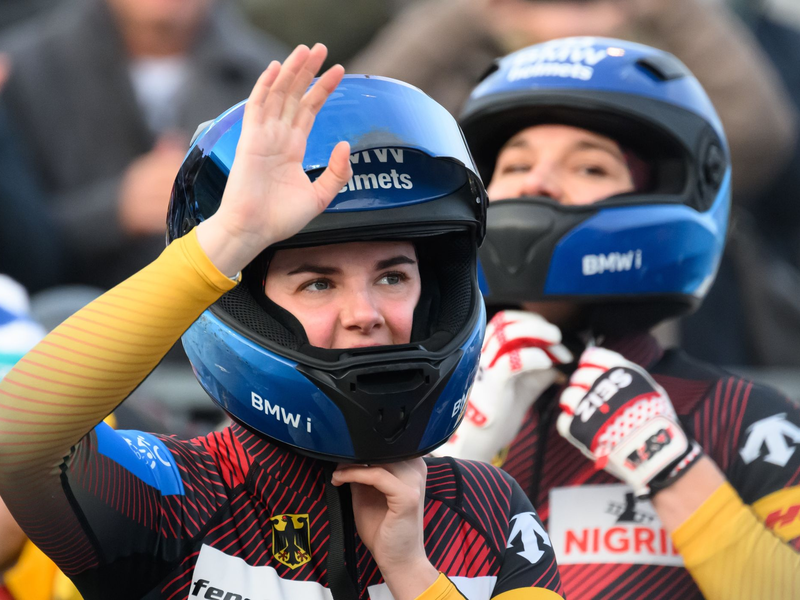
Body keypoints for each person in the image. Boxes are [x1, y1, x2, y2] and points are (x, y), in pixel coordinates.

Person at [0, 44, 563, 600]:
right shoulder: (173, 497)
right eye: (318, 283)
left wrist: (413, 573)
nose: (364, 314)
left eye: (393, 277)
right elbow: (16, 437)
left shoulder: (485, 508)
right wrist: (227, 241)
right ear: (249, 306)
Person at [435, 37, 800, 598]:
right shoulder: (415, 410)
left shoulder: (744, 419)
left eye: (588, 166)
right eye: (515, 164)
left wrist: (674, 470)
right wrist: (446, 466)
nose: (536, 182)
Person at [0, 0, 287, 289]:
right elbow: (15, 242)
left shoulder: (274, 78)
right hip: (65, 318)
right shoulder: (19, 71)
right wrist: (115, 210)